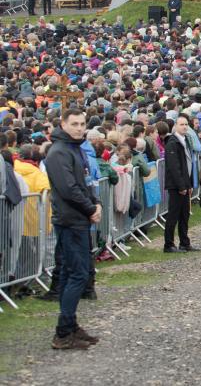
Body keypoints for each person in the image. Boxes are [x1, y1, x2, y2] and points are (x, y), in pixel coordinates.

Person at [47, 109, 102, 350]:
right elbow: (69, 189)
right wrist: (91, 208)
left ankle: (70, 326)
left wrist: (95, 202)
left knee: (73, 273)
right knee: (78, 274)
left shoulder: (73, 148)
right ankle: (63, 330)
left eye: (82, 124)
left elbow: (84, 181)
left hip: (78, 218)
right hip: (70, 220)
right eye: (75, 124)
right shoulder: (58, 152)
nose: (80, 128)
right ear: (63, 124)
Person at [163, 114, 197, 253]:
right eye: (181, 124)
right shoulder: (172, 142)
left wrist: (188, 185)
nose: (184, 127)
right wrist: (181, 186)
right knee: (173, 215)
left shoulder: (185, 140)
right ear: (175, 126)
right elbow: (174, 166)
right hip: (175, 185)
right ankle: (169, 244)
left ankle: (184, 242)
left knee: (185, 214)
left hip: (185, 182)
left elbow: (187, 164)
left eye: (186, 124)